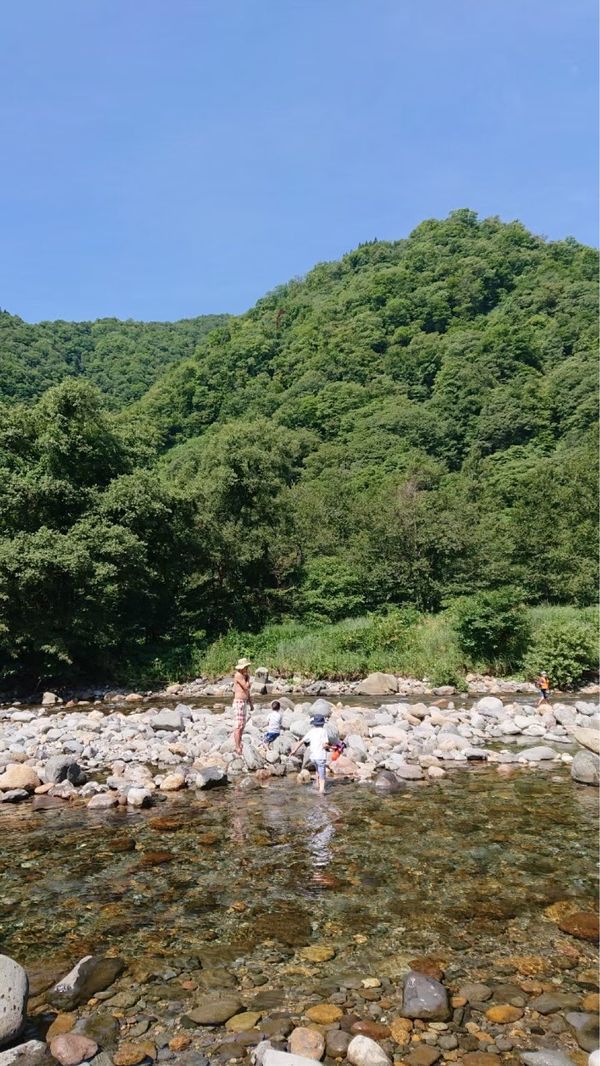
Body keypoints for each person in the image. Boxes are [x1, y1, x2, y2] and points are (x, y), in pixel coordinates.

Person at [290, 714, 330, 794]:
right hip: (320, 757)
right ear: (323, 724)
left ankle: (317, 785)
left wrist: (294, 750)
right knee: (322, 775)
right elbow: (325, 744)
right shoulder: (323, 731)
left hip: (313, 757)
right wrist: (329, 746)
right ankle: (321, 791)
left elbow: (301, 741)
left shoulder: (311, 731)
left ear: (314, 723)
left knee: (317, 770)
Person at [232, 657, 253, 754]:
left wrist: (250, 702)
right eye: (246, 667)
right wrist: (248, 679)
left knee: (242, 725)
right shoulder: (238, 675)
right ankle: (237, 747)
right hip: (239, 702)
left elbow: (247, 691)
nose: (247, 669)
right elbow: (246, 686)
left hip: (244, 702)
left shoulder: (244, 676)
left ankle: (239, 743)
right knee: (238, 725)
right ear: (241, 668)